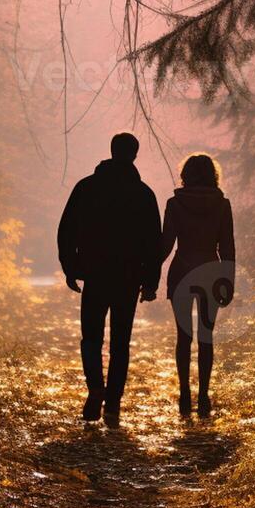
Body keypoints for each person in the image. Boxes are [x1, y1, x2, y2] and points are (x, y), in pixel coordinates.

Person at [57, 132, 161, 426]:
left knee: (90, 337)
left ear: (111, 151)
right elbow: (153, 241)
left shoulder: (87, 187)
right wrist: (151, 281)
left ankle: (95, 388)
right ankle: (113, 403)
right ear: (135, 155)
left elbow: (67, 230)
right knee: (120, 343)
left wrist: (70, 266)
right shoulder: (143, 194)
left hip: (95, 274)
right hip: (128, 277)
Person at [160, 153, 236, 418]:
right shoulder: (222, 205)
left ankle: (184, 395)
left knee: (184, 337)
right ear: (213, 175)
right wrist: (228, 281)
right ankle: (203, 397)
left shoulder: (174, 203)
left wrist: (147, 271)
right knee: (206, 336)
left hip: (182, 270)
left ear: (186, 174)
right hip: (211, 273)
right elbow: (227, 245)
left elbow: (166, 244)